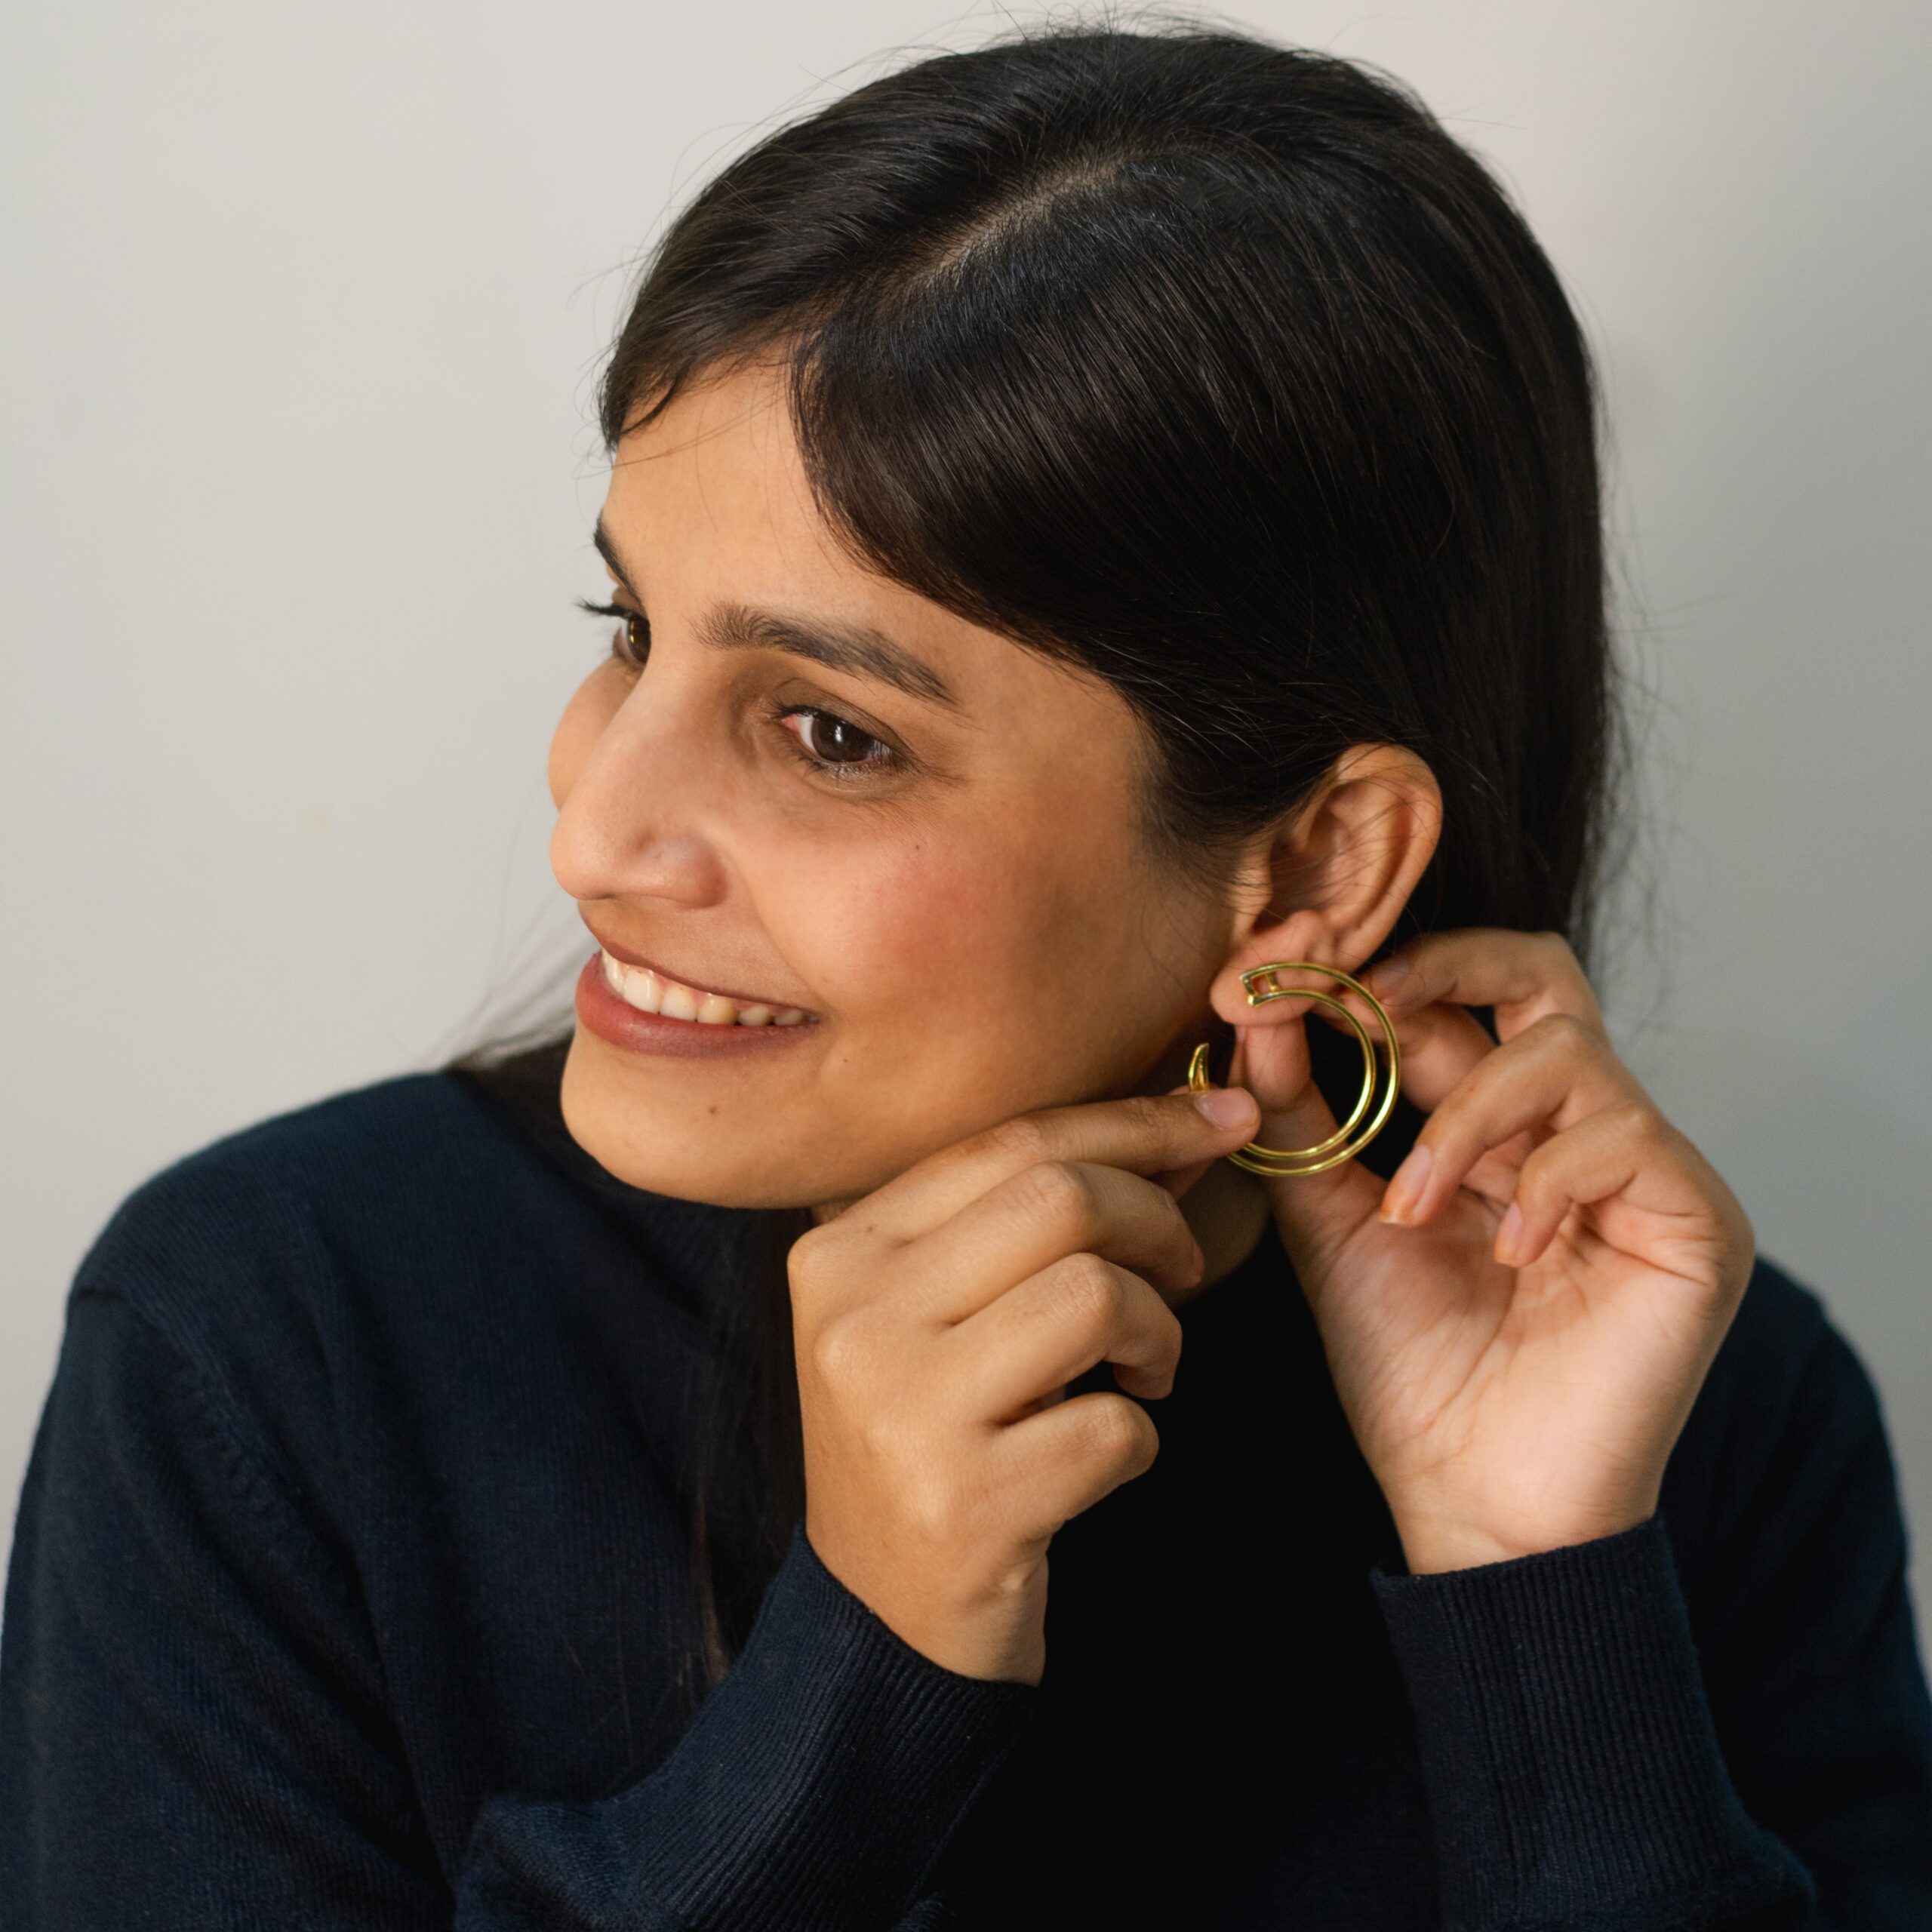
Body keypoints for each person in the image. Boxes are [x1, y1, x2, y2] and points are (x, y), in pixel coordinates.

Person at [4, 22, 1928, 1930]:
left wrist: (1542, 1605)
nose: (593, 822)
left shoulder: (1695, 1420)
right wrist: (860, 1684)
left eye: (827, 731)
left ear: (1315, 865)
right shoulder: (269, 1344)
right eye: (627, 628)